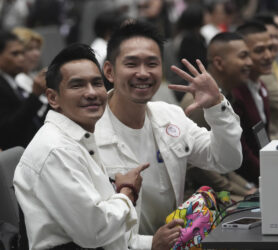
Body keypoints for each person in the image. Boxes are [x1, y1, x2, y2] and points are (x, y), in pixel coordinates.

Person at [14, 43, 182, 250]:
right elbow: (96, 232)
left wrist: (152, 243)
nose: (92, 93)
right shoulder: (56, 150)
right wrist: (126, 193)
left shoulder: (81, 138)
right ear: (53, 98)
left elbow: (110, 236)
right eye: (77, 85)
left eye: (97, 83)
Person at [96, 20, 242, 236]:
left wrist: (216, 106)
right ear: (109, 71)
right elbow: (93, 225)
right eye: (131, 64)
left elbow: (227, 160)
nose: (143, 73)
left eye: (152, 63)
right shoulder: (91, 133)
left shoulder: (170, 116)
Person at [181, 32, 257, 200]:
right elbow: (197, 165)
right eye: (243, 57)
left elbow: (227, 156)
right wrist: (242, 192)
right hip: (201, 194)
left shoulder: (228, 94)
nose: (250, 63)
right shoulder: (197, 102)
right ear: (219, 63)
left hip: (222, 183)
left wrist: (246, 187)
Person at [235, 21, 272, 185]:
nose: (268, 56)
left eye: (270, 48)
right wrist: (271, 172)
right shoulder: (236, 93)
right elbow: (242, 152)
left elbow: (263, 139)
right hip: (247, 180)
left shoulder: (261, 86)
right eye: (259, 51)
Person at [0, 30, 45, 150]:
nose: (21, 58)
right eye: (15, 54)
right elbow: (7, 130)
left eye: (22, 53)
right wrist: (35, 95)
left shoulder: (12, 81)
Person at [12, 27, 49, 121]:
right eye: (30, 49)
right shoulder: (16, 81)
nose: (36, 53)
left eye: (37, 48)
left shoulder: (34, 76)